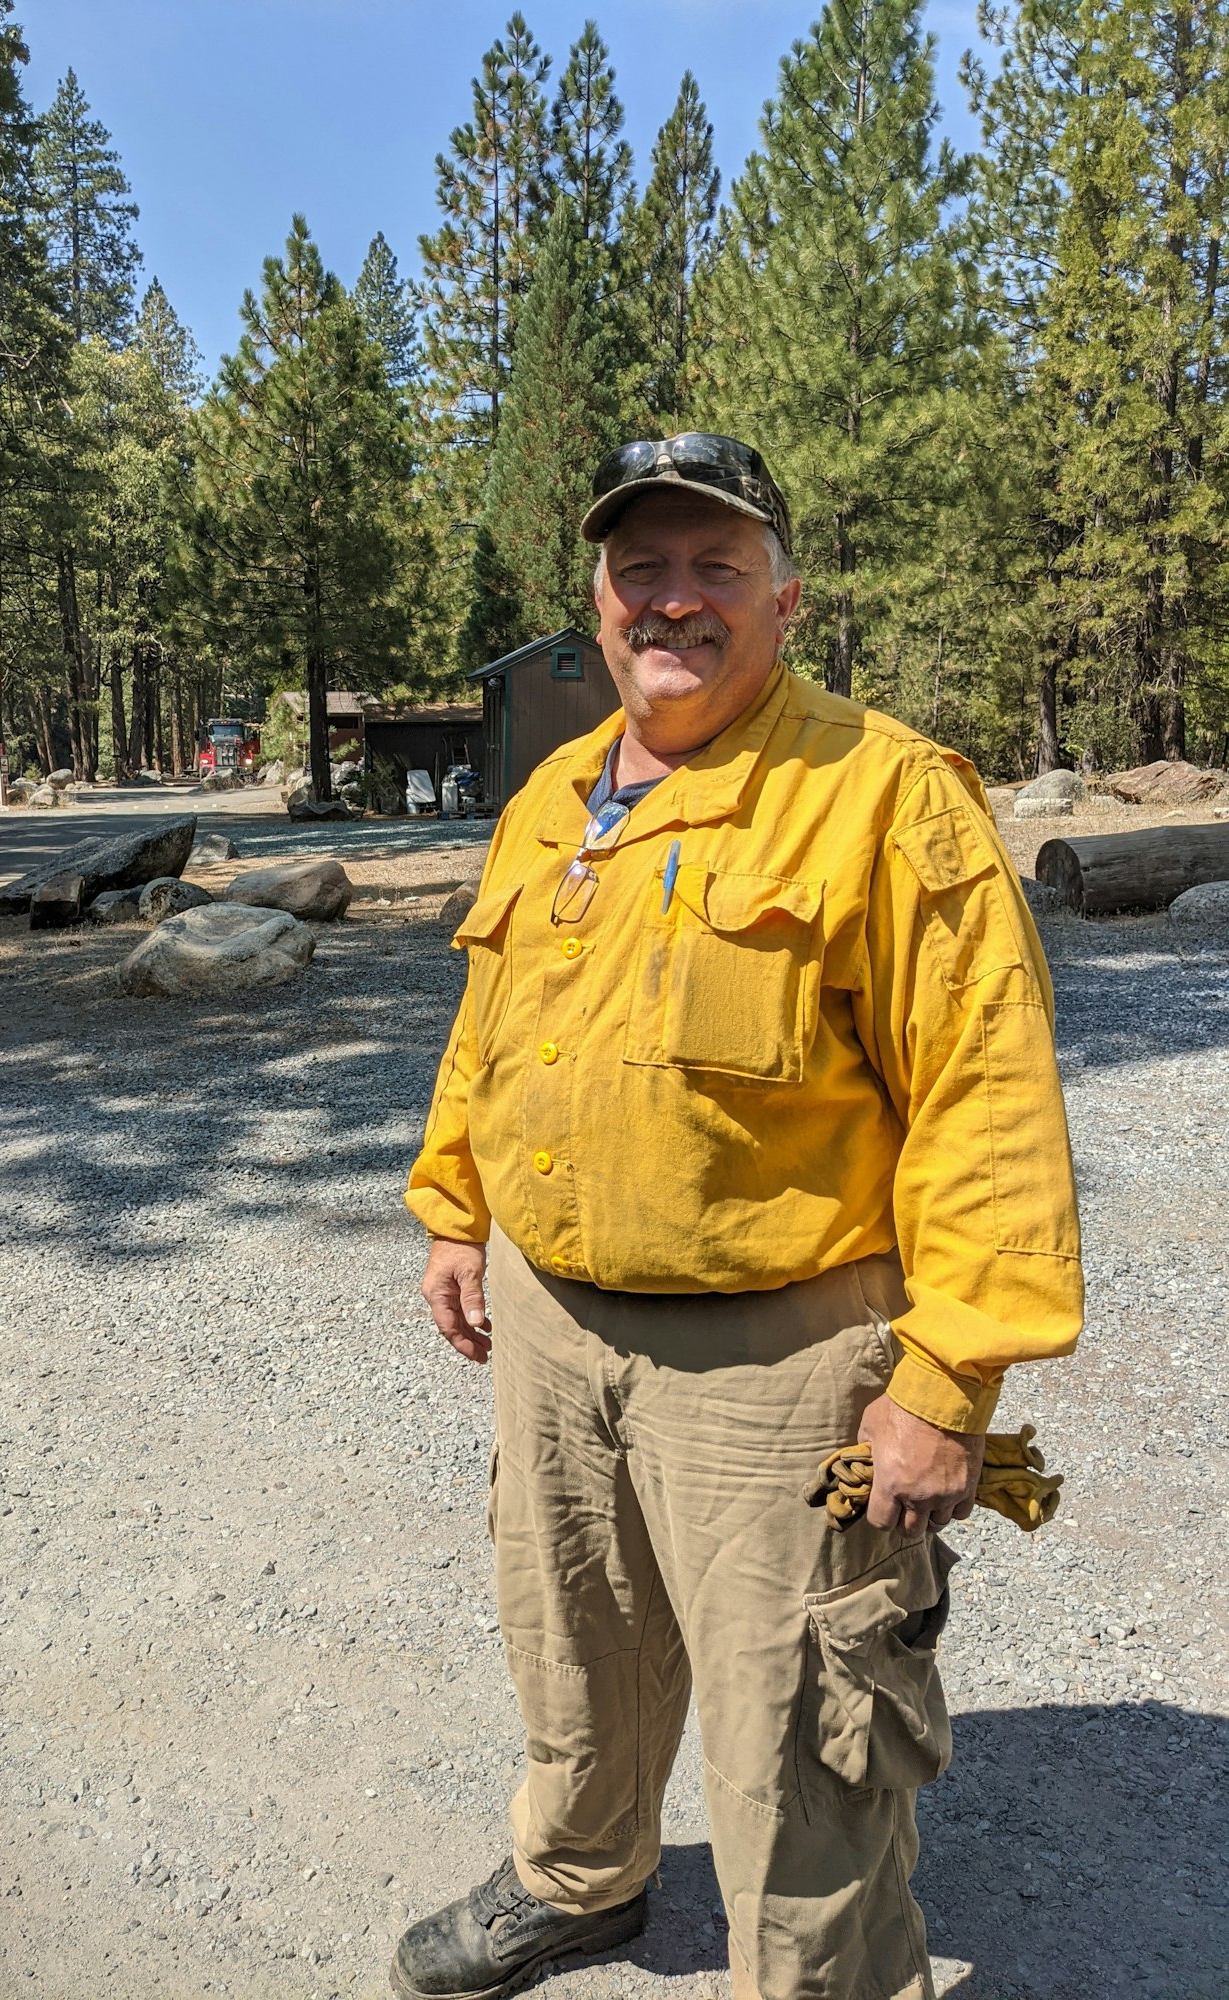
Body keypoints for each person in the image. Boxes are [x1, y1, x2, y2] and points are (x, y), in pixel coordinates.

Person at [395, 435, 1083, 2000]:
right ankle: (580, 1879)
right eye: (645, 567)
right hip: (556, 1329)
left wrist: (946, 1381)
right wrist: (455, 1209)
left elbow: (988, 1099)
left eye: (718, 567)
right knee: (573, 1650)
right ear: (598, 597)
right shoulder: (561, 791)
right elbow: (495, 1028)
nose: (676, 601)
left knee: (800, 1737)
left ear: (786, 595)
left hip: (785, 1366)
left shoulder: (887, 797)